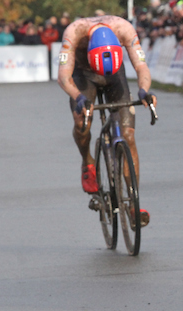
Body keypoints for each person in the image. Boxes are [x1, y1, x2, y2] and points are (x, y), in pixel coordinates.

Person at [57, 15, 157, 225]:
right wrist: (79, 97)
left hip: (114, 74)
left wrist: (143, 91)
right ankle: (88, 161)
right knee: (81, 121)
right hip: (83, 75)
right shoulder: (74, 32)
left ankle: (133, 205)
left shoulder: (124, 28)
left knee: (128, 136)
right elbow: (64, 77)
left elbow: (141, 67)